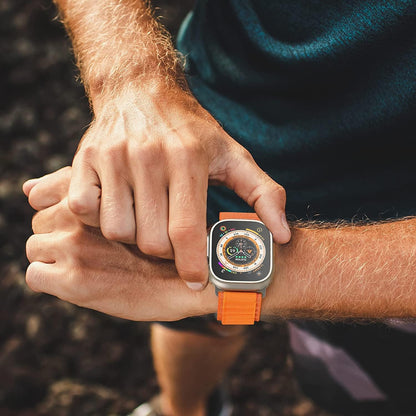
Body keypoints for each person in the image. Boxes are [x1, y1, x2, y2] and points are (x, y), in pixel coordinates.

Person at [24, 0, 416, 415]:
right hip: (203, 151)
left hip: (388, 265)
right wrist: (132, 79)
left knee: (351, 390)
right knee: (195, 320)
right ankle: (182, 407)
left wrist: (238, 276)